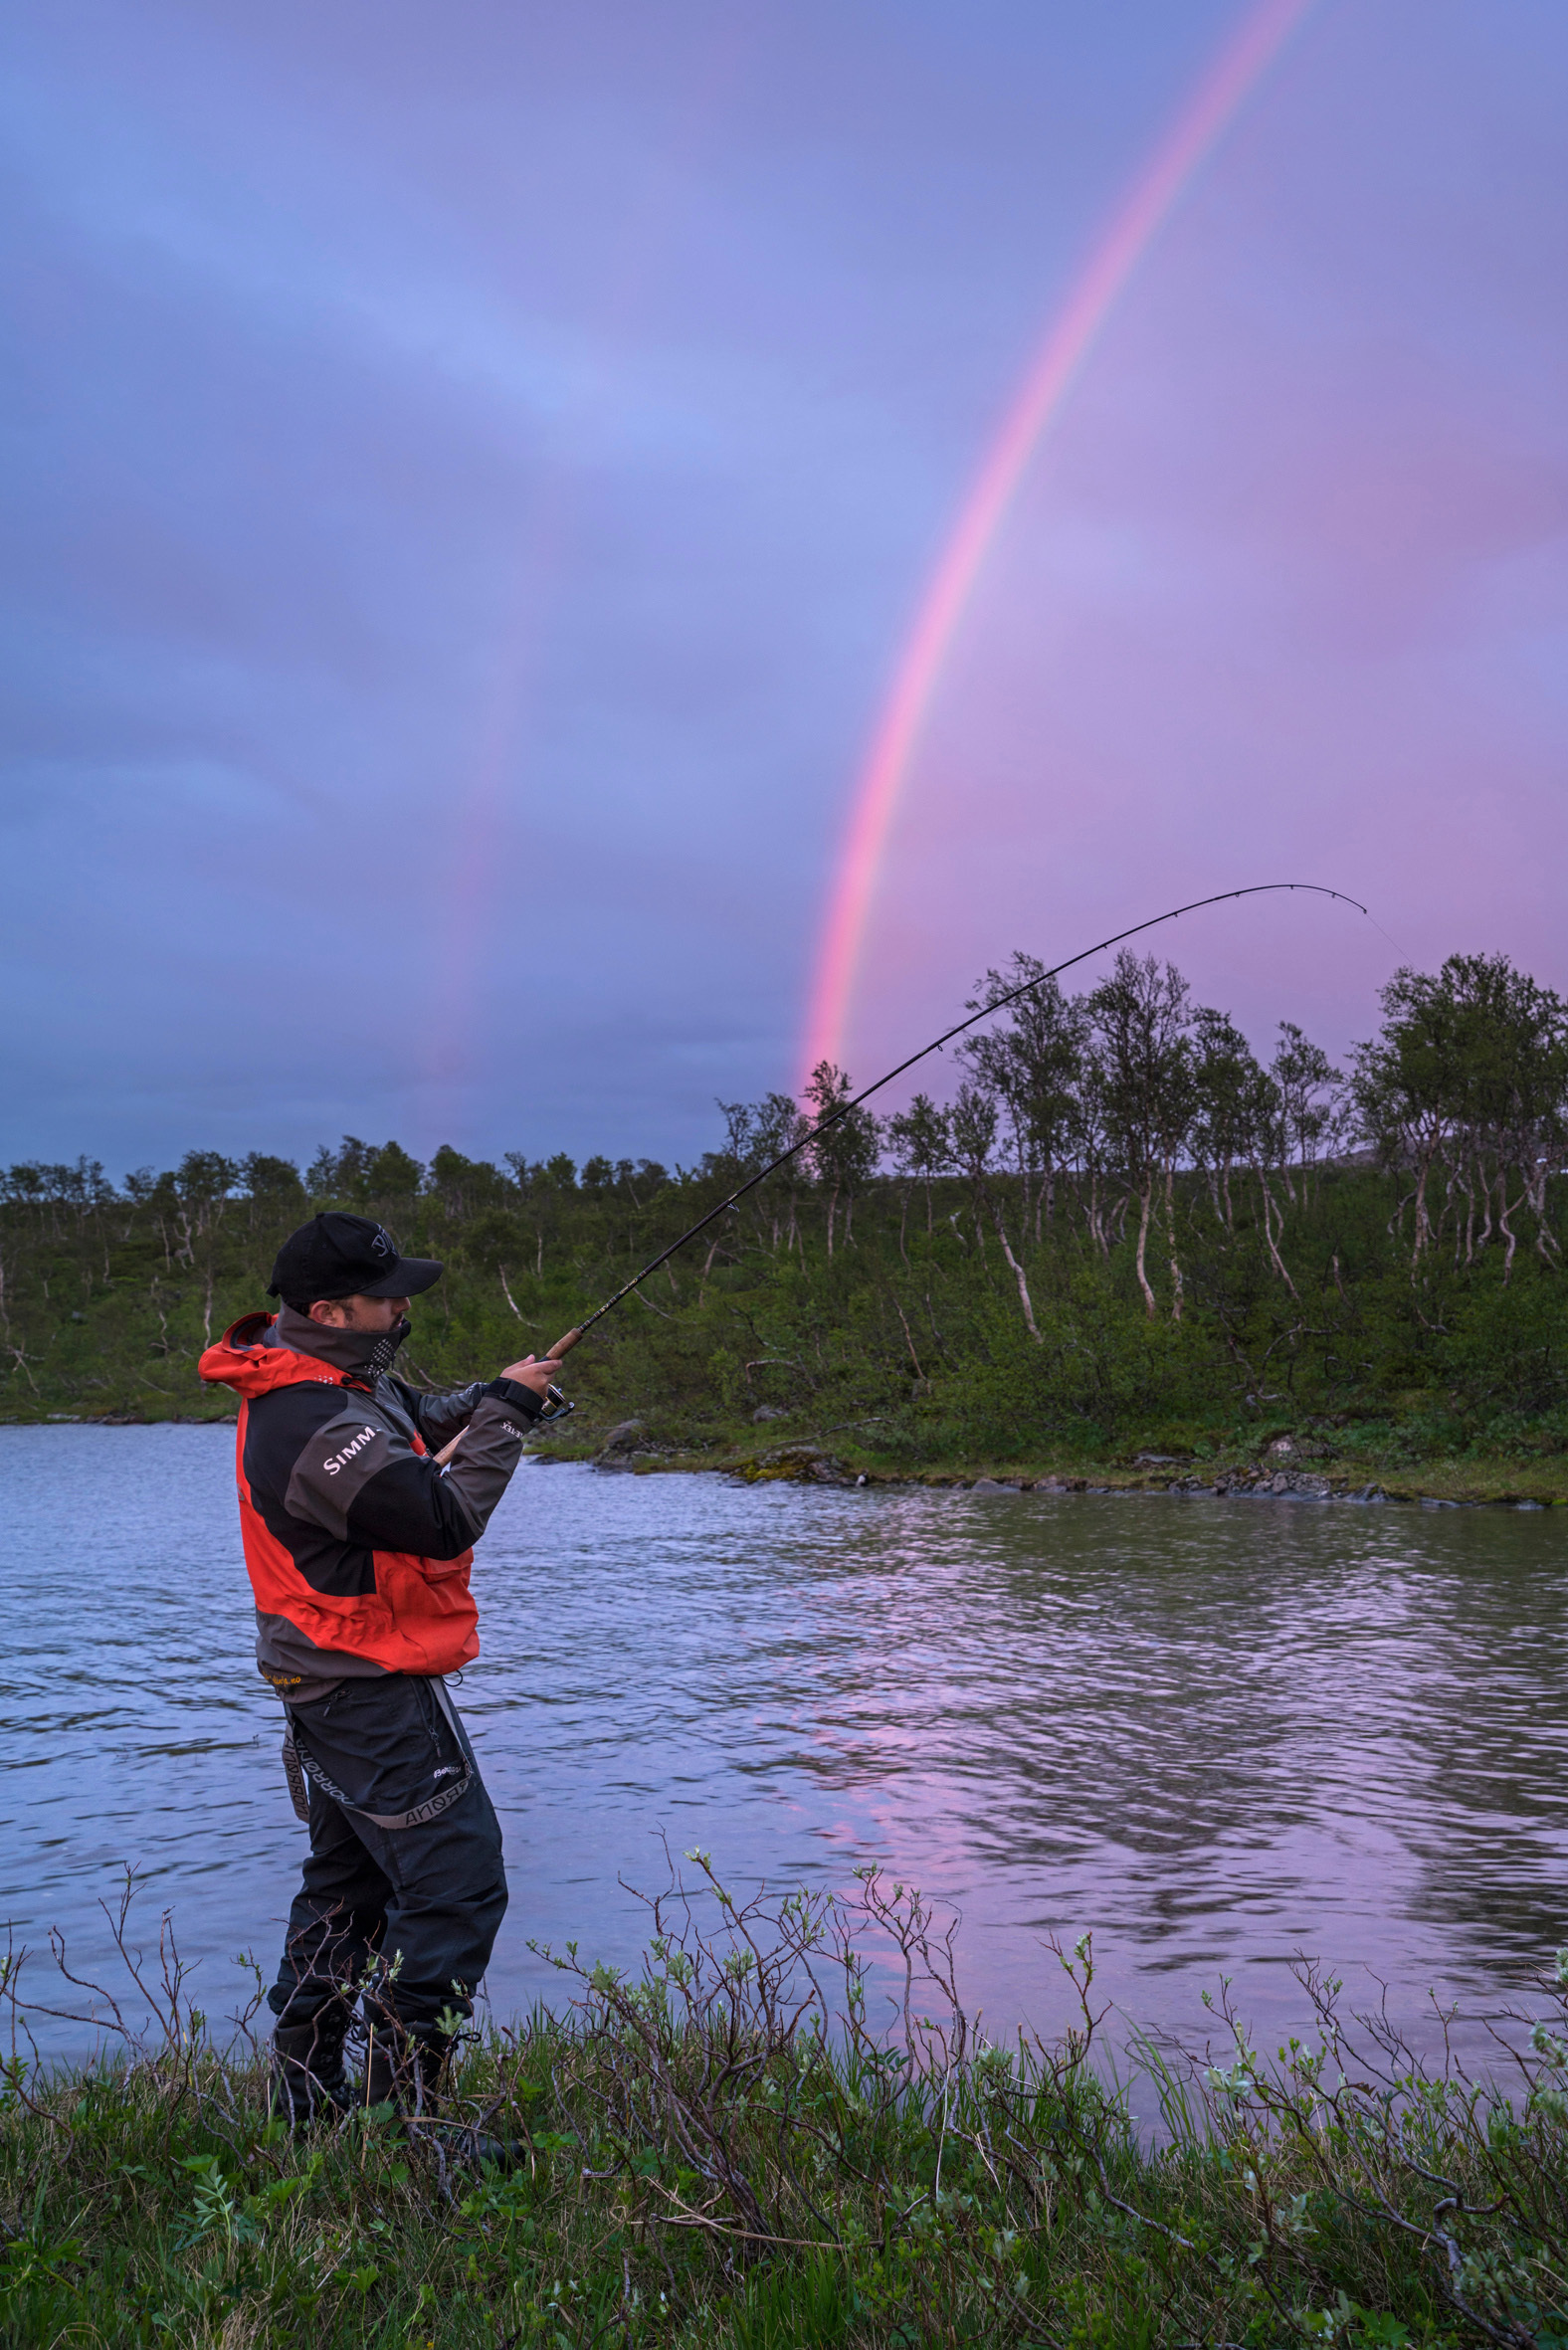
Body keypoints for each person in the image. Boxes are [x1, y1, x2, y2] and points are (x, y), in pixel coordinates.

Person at [198, 1210, 559, 2131]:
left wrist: (490, 1397)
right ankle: (406, 2122)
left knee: (348, 1890)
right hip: (365, 1692)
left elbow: (407, 1421)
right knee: (456, 1888)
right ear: (330, 1309)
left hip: (331, 1683)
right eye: (386, 1298)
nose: (402, 1309)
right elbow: (441, 1519)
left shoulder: (328, 1376)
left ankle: (308, 2106)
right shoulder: (311, 1421)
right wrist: (507, 1421)